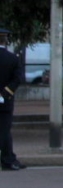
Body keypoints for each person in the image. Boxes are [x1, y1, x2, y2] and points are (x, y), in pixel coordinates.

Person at [0, 27, 26, 171]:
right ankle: (8, 159)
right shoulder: (13, 58)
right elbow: (17, 79)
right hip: (5, 101)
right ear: (5, 40)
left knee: (5, 133)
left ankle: (8, 158)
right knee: (4, 130)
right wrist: (4, 94)